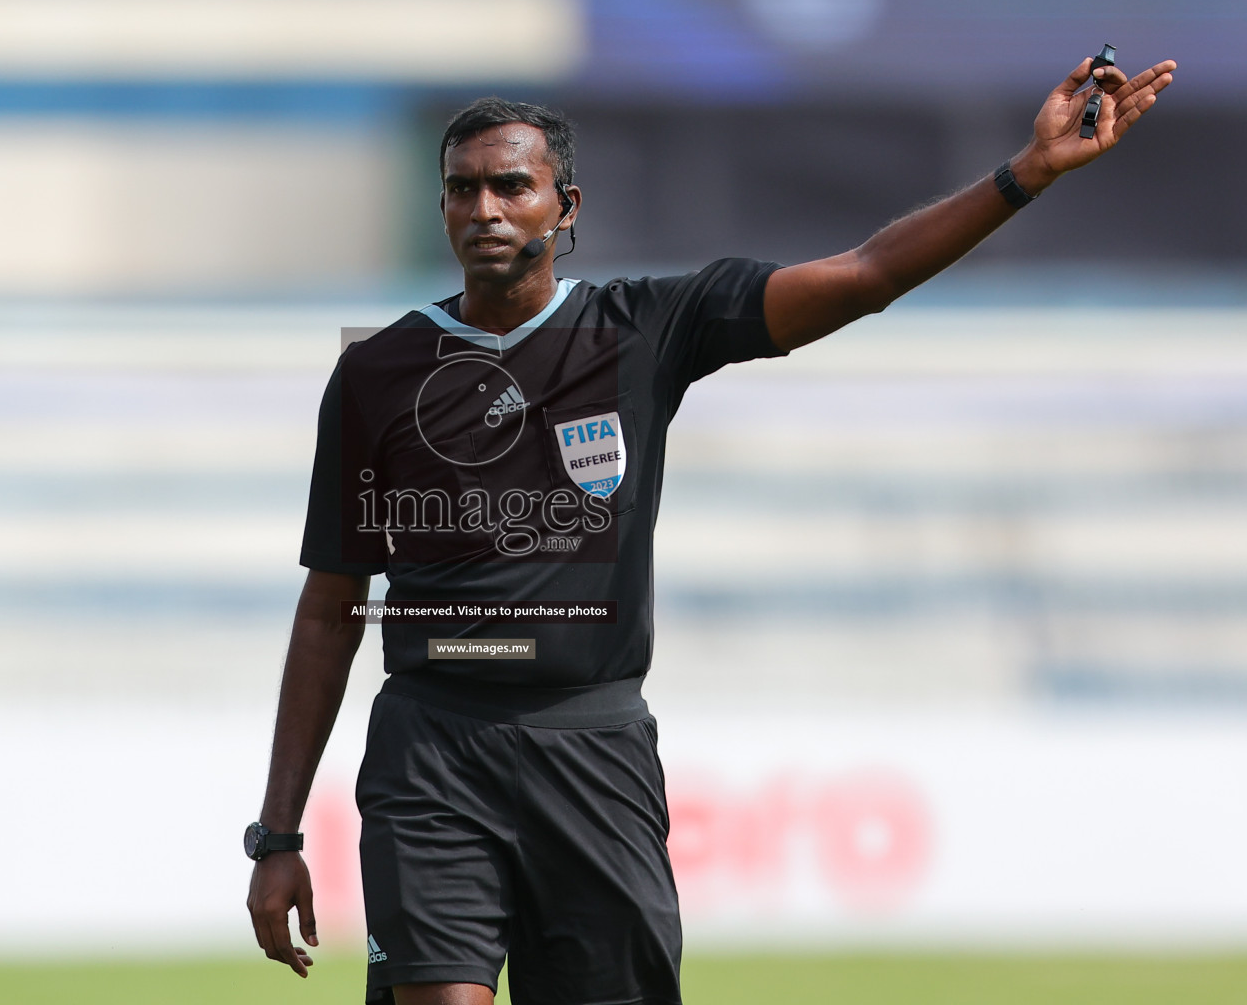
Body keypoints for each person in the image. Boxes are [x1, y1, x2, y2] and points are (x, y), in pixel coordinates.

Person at [246, 53, 1176, 1005]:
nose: (484, 208)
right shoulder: (380, 374)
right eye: (462, 189)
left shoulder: (646, 329)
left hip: (592, 751)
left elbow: (863, 276)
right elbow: (329, 610)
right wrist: (278, 835)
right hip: (430, 751)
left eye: (511, 186)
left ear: (564, 206)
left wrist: (1026, 173)